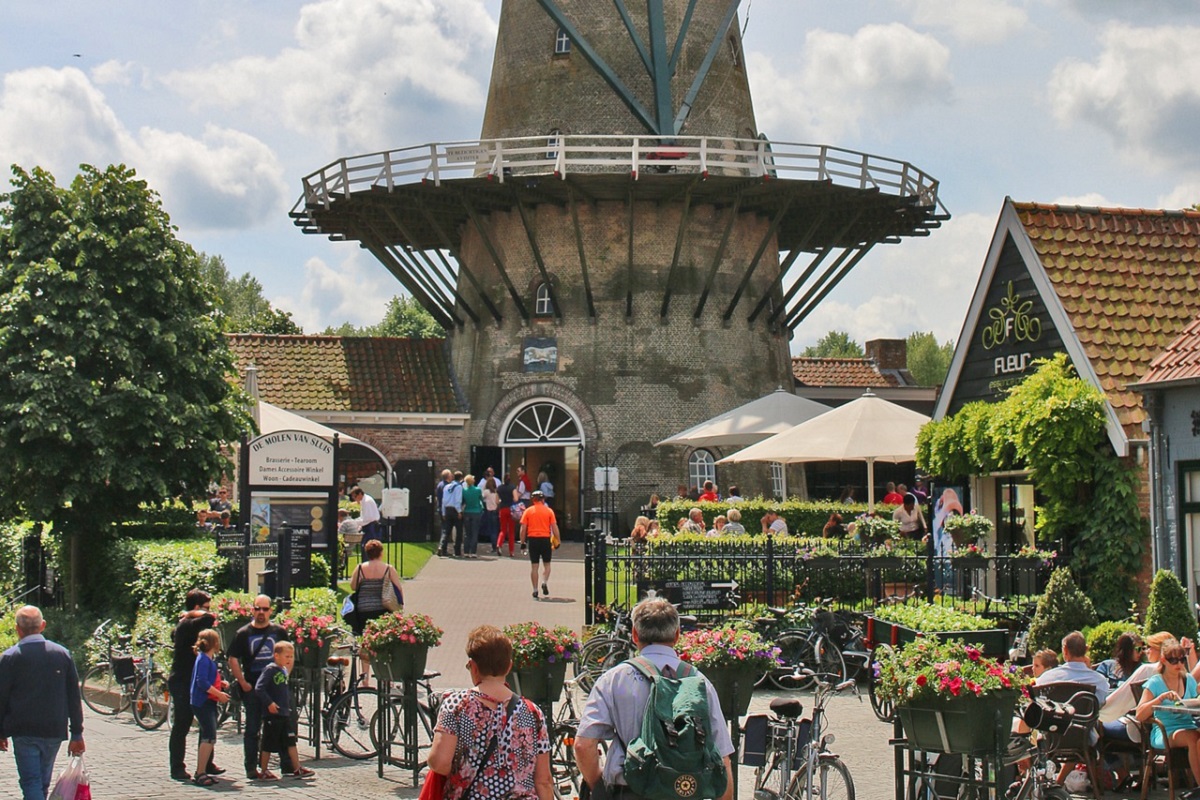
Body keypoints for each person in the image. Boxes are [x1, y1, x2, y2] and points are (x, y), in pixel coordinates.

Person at [574, 597, 735, 800]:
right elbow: (722, 758)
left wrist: (598, 785)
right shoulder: (698, 681)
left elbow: (583, 745)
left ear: (634, 634)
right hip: (686, 791)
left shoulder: (614, 679)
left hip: (629, 791)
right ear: (677, 635)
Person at [428, 625, 552, 800]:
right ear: (509, 667)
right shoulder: (532, 712)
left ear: (473, 667)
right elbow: (544, 780)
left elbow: (439, 762)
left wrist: (463, 770)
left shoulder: (456, 705)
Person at [0, 606, 85, 800]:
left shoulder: (10, 658)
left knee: (31, 782)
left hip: (24, 730)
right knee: (42, 782)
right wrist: (77, 732)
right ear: (43, 626)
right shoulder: (62, 654)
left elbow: (1, 697)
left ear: (17, 629)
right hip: (54, 729)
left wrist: (1, 731)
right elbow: (73, 695)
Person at [228, 594, 294, 779]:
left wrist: (285, 675)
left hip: (277, 689)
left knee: (282, 726)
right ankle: (251, 767)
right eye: (258, 609)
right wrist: (242, 681)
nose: (261, 613)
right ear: (253, 610)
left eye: (265, 609)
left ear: (271, 611)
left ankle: (287, 765)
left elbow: (289, 654)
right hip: (254, 687)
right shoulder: (243, 633)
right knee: (252, 728)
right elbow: (233, 658)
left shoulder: (278, 631)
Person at [1137, 638, 1200, 791]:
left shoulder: (1188, 680)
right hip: (1165, 730)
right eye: (1174, 660)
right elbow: (1139, 715)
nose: (1179, 664)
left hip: (1188, 726)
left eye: (1182, 659)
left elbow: (1194, 701)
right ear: (1164, 660)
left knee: (1197, 738)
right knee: (1194, 738)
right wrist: (1160, 698)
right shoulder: (1155, 682)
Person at [169, 589, 219, 782]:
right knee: (182, 724)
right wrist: (190, 613)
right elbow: (210, 618)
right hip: (183, 681)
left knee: (207, 722)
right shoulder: (187, 624)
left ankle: (206, 763)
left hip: (197, 681)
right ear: (197, 608)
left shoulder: (191, 622)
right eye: (206, 606)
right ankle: (177, 767)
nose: (209, 610)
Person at [254, 641, 314, 780]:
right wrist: (269, 703)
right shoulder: (270, 669)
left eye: (291, 656)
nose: (289, 659)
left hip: (284, 713)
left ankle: (297, 767)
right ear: (276, 656)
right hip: (272, 715)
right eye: (287, 656)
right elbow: (259, 688)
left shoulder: (283, 670)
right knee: (268, 743)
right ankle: (264, 770)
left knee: (290, 741)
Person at [189, 629, 229, 788]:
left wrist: (221, 684)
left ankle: (202, 769)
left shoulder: (205, 658)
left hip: (205, 701)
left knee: (207, 734)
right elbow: (203, 682)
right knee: (209, 735)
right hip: (203, 701)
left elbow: (209, 678)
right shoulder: (204, 660)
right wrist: (219, 694)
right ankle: (200, 772)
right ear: (215, 643)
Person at [520, 490, 559, 600]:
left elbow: (523, 529)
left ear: (533, 500)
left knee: (534, 566)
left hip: (533, 540)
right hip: (545, 539)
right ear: (543, 500)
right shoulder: (549, 511)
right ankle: (544, 581)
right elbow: (554, 527)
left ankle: (535, 590)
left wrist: (523, 542)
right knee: (547, 565)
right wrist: (558, 540)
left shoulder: (528, 511)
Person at [440, 471, 465, 557]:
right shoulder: (458, 487)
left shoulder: (446, 487)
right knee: (459, 531)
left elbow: (443, 501)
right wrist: (459, 511)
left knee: (446, 530)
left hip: (447, 509)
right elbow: (458, 500)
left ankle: (442, 548)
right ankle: (457, 551)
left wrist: (443, 512)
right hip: (455, 510)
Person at [462, 474, 484, 557]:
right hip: (476, 512)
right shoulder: (478, 490)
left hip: (467, 511)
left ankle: (466, 552)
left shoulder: (464, 491)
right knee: (475, 532)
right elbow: (481, 499)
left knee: (467, 533)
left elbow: (463, 501)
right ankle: (473, 552)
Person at [497, 474, 518, 557]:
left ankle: (499, 544)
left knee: (503, 529)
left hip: (502, 509)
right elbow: (516, 499)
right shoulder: (512, 487)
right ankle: (511, 551)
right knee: (511, 531)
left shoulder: (499, 488)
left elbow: (497, 501)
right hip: (511, 509)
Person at [482, 475, 500, 553]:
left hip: (489, 511)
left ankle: (493, 547)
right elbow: (498, 501)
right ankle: (497, 545)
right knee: (495, 529)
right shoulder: (496, 491)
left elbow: (481, 497)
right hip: (495, 511)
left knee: (491, 530)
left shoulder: (486, 492)